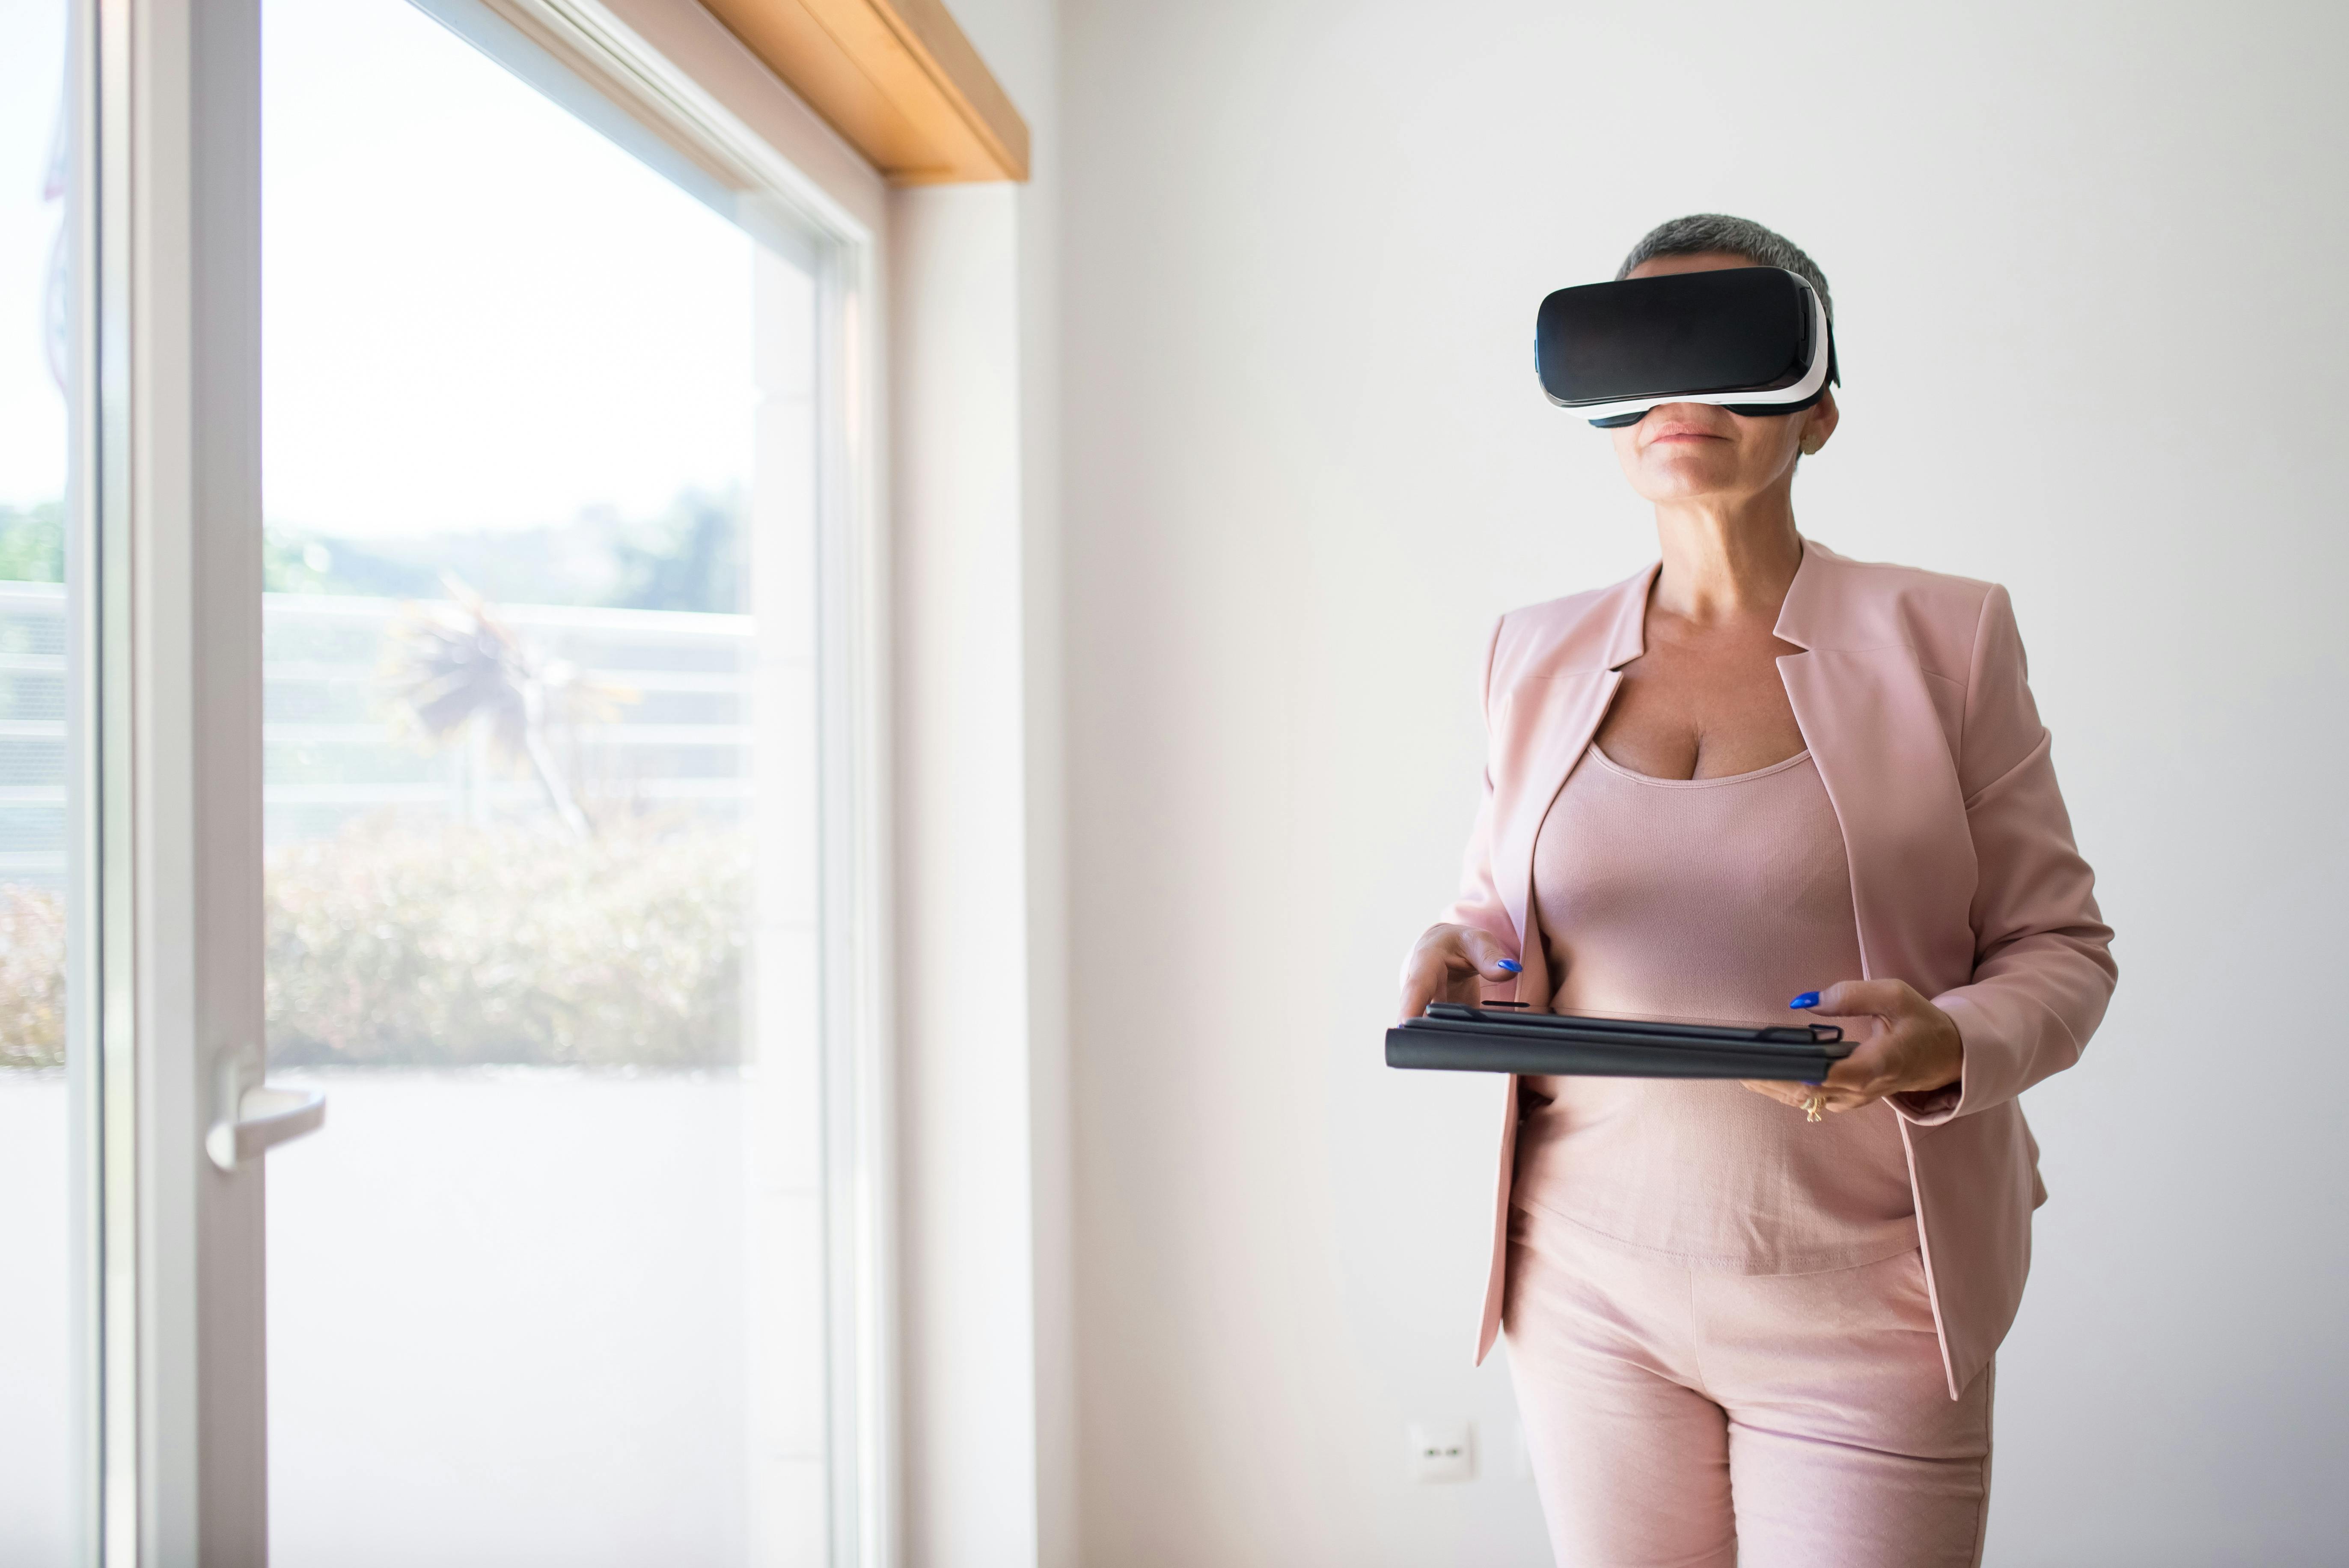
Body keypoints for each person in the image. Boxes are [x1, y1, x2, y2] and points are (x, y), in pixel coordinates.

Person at [1397, 215, 2116, 1568]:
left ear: (1820, 407)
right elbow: (1500, 910)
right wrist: (1459, 947)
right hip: (1590, 1295)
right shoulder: (1530, 651)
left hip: (1865, 1301)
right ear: (1602, 406)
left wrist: (1944, 1041)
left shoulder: (1949, 640)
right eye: (1648, 355)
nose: (1686, 397)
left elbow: (2062, 950)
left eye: (1732, 353)